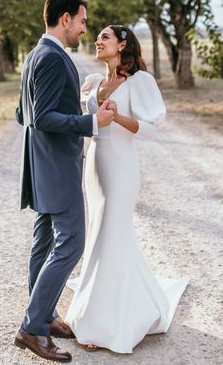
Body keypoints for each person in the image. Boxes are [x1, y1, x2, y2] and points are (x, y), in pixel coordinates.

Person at [64, 25, 188, 353]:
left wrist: (116, 118)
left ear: (122, 44)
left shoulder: (139, 83)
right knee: (98, 234)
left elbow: (149, 130)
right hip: (95, 164)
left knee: (111, 233)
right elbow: (84, 123)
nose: (97, 41)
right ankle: (98, 312)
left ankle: (103, 324)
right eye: (97, 37)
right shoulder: (94, 83)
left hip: (121, 166)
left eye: (104, 37)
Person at [13, 0, 115, 362]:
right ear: (66, 19)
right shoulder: (54, 58)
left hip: (41, 166)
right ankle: (32, 328)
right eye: (83, 21)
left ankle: (45, 314)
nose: (86, 28)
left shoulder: (35, 55)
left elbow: (21, 114)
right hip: (57, 167)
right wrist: (91, 122)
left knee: (44, 243)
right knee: (71, 243)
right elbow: (41, 118)